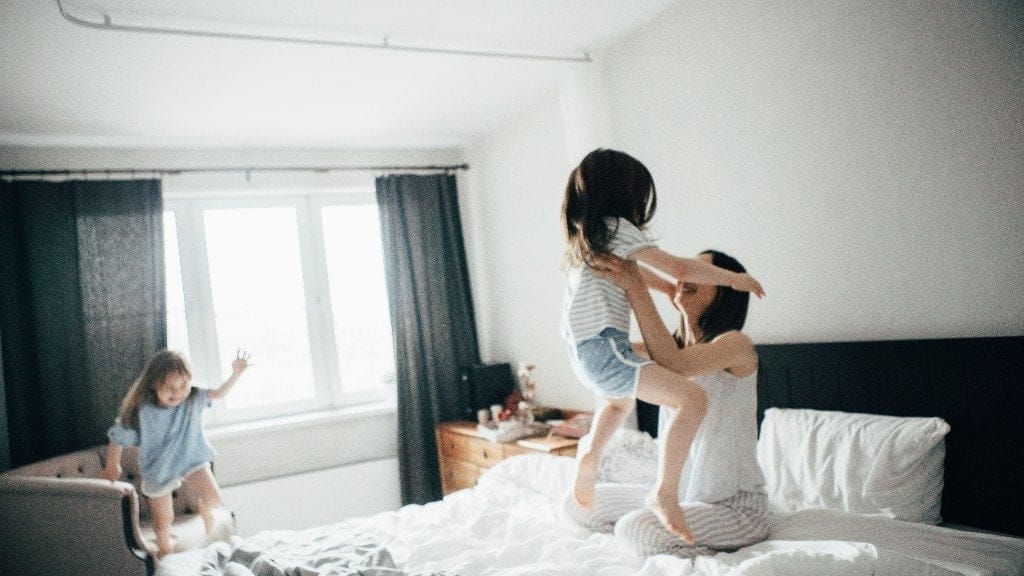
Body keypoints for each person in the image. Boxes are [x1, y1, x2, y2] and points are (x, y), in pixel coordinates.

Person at [561, 148, 764, 543]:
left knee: (637, 532)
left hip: (733, 506)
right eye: (689, 268)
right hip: (686, 496)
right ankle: (661, 500)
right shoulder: (660, 350)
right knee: (576, 505)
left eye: (703, 271)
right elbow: (623, 376)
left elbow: (675, 363)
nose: (686, 275)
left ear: (722, 288)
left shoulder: (736, 345)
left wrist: (639, 289)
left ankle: (665, 508)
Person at [100, 349, 252, 557]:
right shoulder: (144, 410)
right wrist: (112, 464)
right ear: (155, 385)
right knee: (163, 520)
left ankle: (203, 510)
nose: (178, 393)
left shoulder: (194, 398)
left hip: (191, 458)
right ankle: (165, 552)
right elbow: (118, 437)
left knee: (213, 498)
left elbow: (218, 393)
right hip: (158, 467)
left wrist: (236, 374)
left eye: (183, 386)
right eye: (169, 388)